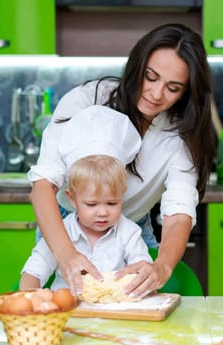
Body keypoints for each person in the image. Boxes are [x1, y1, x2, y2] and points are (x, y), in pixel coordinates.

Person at [28, 23, 216, 298]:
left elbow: (178, 212)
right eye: (150, 77)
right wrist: (67, 255)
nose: (156, 93)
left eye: (173, 88)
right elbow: (43, 184)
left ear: (186, 93)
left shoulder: (180, 136)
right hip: (65, 225)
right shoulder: (88, 101)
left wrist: (161, 267)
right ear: (137, 67)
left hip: (133, 227)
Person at [20, 105, 152, 290]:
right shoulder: (61, 234)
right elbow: (33, 272)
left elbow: (143, 271)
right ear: (72, 199)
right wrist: (29, 299)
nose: (103, 212)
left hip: (114, 316)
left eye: (112, 203)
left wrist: (142, 276)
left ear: (122, 193)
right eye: (91, 204)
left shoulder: (129, 233)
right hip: (66, 316)